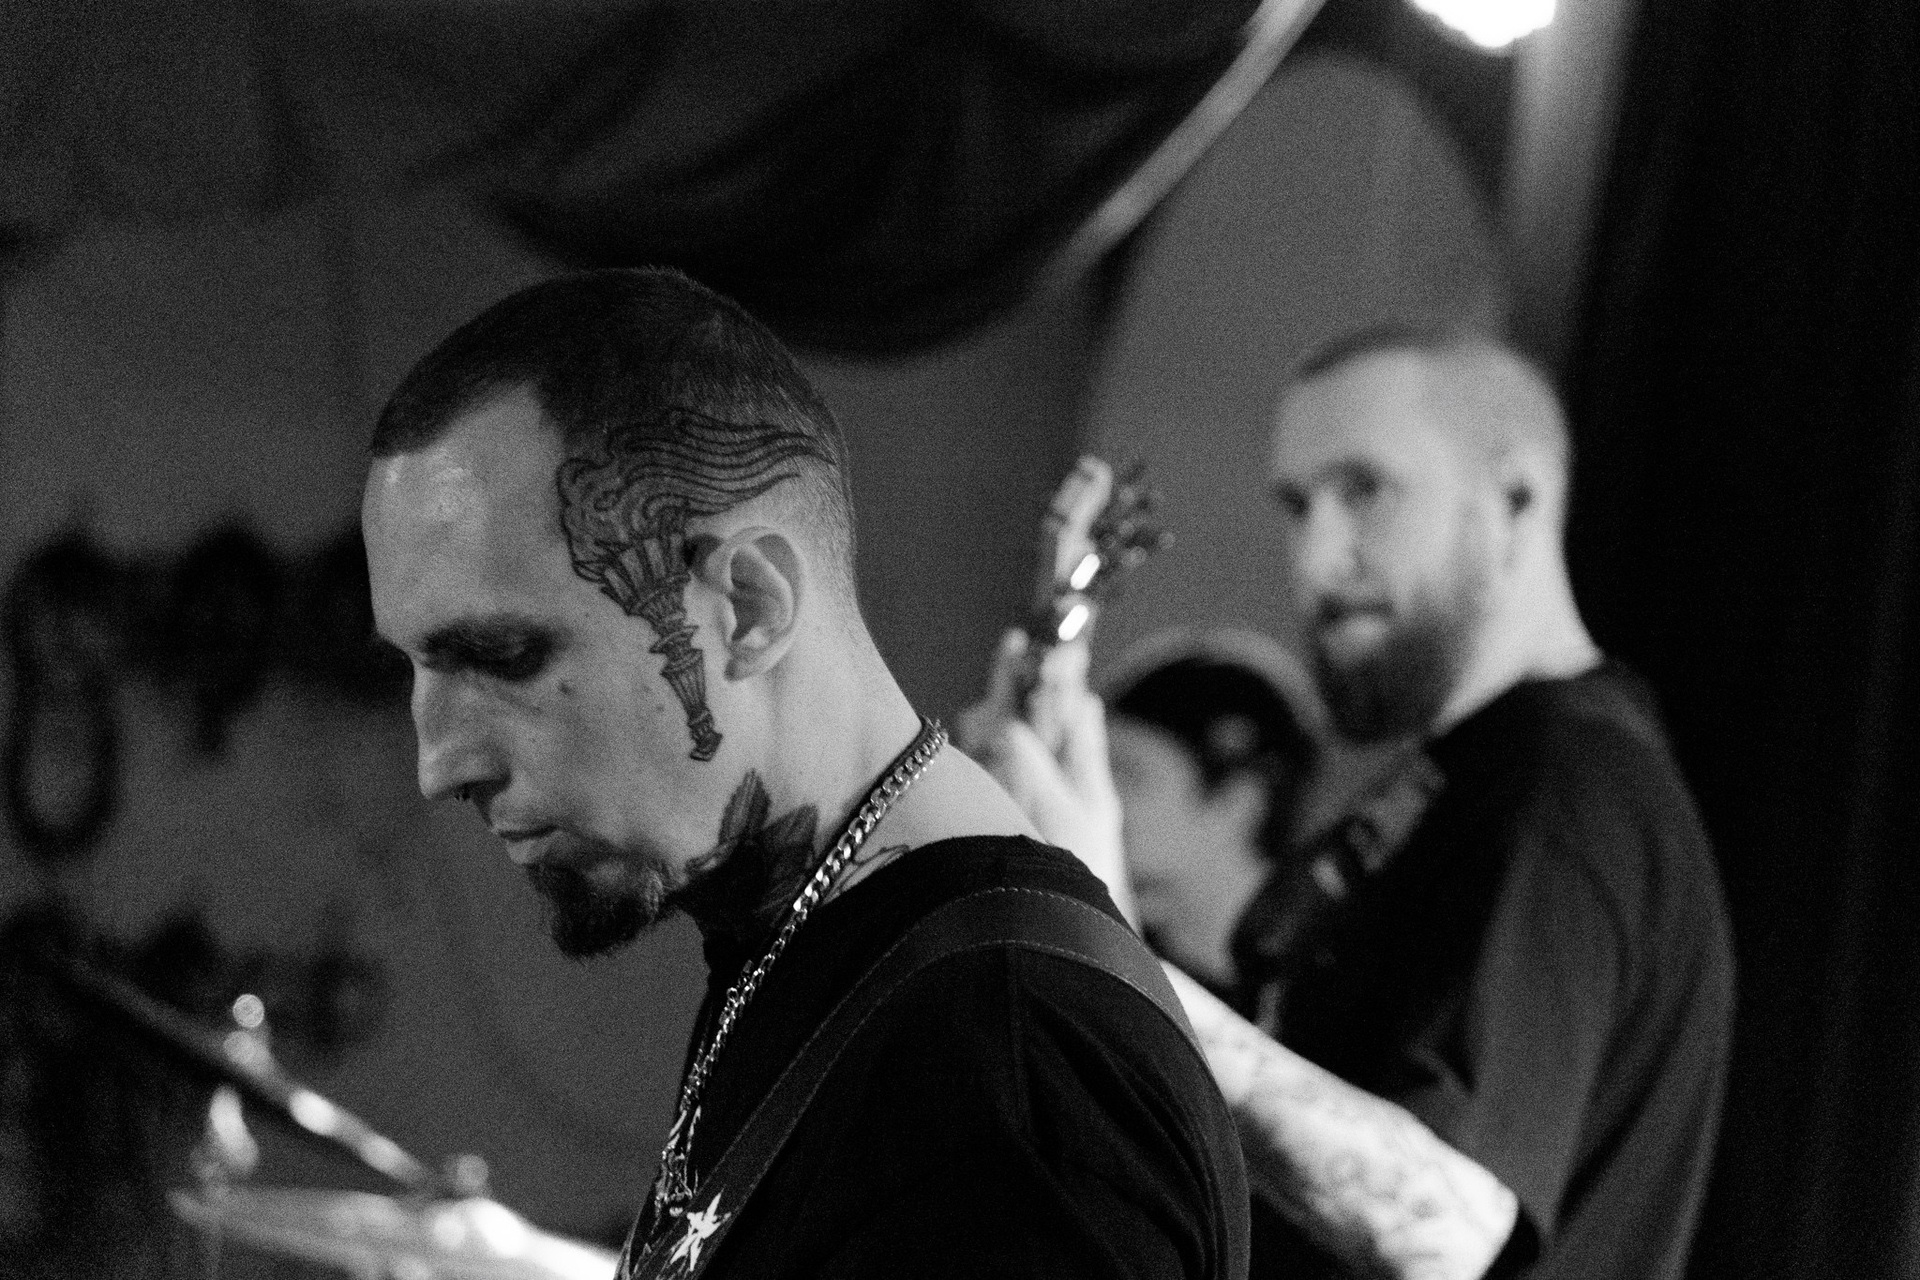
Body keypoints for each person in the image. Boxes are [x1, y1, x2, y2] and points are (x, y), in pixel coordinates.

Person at [360, 267, 1249, 1279]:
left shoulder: (1005, 1079)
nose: (439, 762)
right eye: (415, 667)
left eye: (503, 654)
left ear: (748, 606)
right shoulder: (807, 953)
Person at [967, 322, 1736, 1280]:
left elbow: (1446, 1222)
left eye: (1366, 490)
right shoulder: (1465, 781)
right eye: (1298, 506)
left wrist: (1110, 952)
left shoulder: (1563, 793)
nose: (1317, 559)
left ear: (1517, 498)